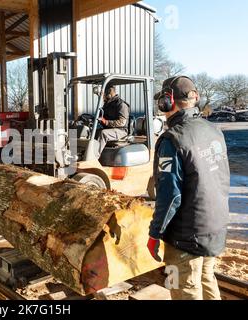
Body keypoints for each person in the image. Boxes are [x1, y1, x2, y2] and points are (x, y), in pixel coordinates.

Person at [147, 76, 230, 300]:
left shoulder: (172, 139)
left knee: (183, 289)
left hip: (185, 236)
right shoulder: (214, 130)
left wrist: (155, 234)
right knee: (206, 277)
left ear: (167, 101)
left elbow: (170, 196)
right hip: (214, 225)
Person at [94, 85, 130, 158]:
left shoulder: (121, 104)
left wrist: (106, 122)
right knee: (93, 132)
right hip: (111, 129)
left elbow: (121, 122)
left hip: (121, 131)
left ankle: (94, 157)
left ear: (109, 93)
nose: (103, 97)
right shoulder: (108, 104)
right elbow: (102, 116)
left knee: (103, 133)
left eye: (103, 94)